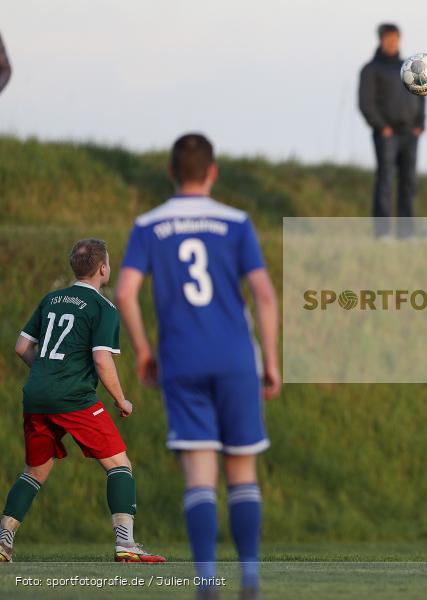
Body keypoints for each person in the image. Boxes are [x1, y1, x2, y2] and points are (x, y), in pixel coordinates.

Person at [116, 134, 281, 600]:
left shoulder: (149, 225)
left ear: (171, 172)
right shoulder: (236, 222)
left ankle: (206, 583)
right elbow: (264, 295)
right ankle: (249, 581)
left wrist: (146, 352)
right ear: (212, 172)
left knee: (199, 474)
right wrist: (270, 360)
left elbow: (125, 292)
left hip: (182, 360)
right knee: (242, 472)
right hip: (234, 358)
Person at [0, 239, 165, 564]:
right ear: (103, 268)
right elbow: (102, 360)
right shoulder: (102, 308)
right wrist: (122, 399)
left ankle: (3, 541)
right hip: (73, 398)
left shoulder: (51, 299)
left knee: (33, 472)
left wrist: (48, 373)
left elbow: (22, 347)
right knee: (119, 465)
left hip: (36, 395)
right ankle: (126, 544)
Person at [358, 23, 425, 239]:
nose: (392, 43)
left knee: (408, 183)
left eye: (395, 38)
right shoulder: (371, 69)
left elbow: (421, 92)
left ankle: (406, 233)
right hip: (386, 134)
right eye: (388, 39)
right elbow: (365, 103)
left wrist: (419, 124)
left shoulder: (410, 67)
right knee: (385, 181)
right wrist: (381, 126)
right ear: (380, 40)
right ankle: (382, 232)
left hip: (410, 133)